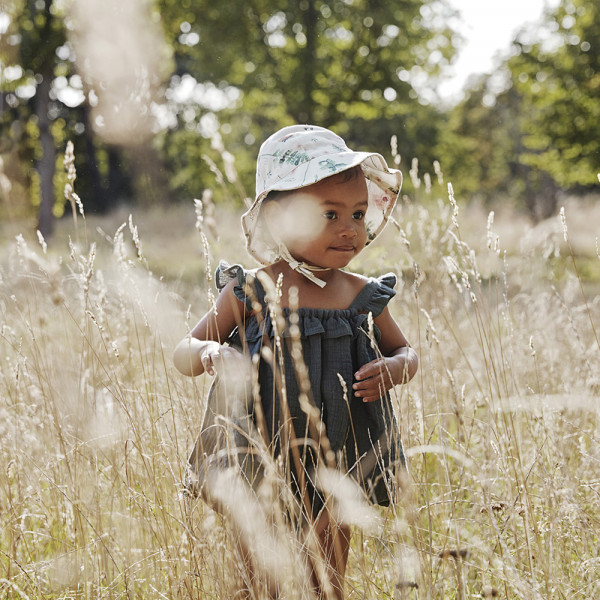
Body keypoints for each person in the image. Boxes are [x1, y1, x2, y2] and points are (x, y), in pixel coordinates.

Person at [173, 124, 418, 599]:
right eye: (329, 213)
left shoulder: (362, 294)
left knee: (326, 579)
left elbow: (406, 353)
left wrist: (393, 371)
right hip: (258, 451)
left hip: (338, 453)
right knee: (255, 579)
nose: (350, 227)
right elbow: (184, 351)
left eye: (359, 212)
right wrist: (208, 353)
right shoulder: (250, 290)